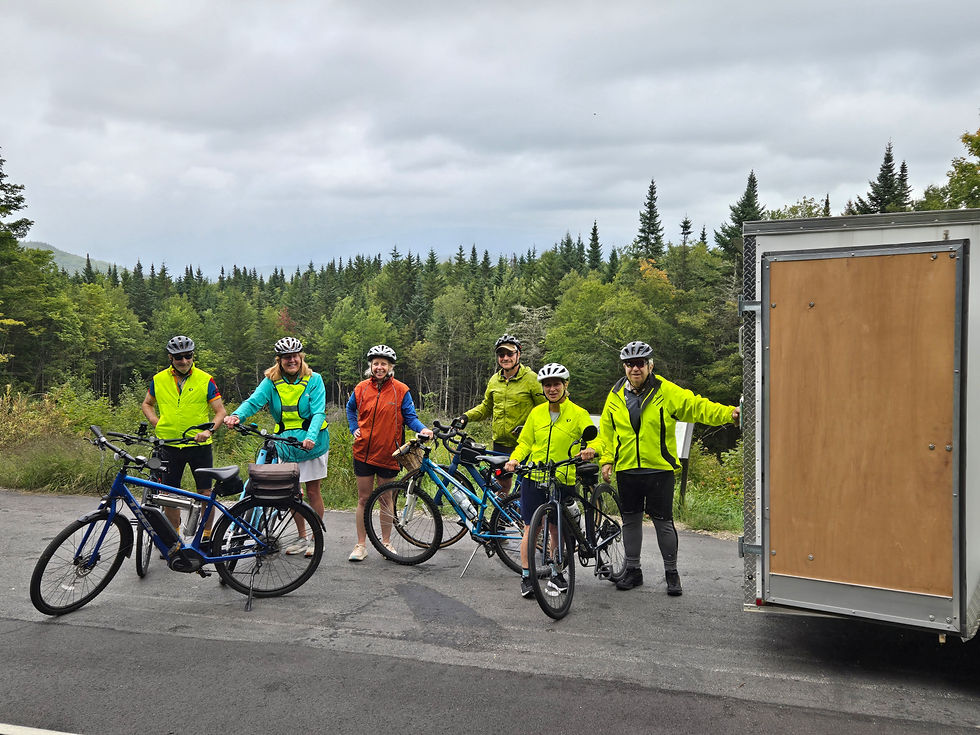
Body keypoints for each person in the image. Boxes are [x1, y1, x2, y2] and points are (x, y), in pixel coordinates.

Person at [599, 341, 740, 596]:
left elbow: (696, 406)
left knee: (663, 523)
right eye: (630, 364)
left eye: (640, 363)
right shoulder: (616, 393)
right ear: (624, 366)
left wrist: (729, 413)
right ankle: (633, 570)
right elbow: (607, 432)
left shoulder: (664, 390)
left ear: (650, 365)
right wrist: (607, 460)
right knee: (630, 521)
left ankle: (671, 573)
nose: (635, 369)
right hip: (627, 468)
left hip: (659, 469)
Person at [223, 337, 329, 557]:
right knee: (293, 492)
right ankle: (301, 537)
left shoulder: (314, 379)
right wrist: (236, 415)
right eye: (286, 357)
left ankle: (315, 537)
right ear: (279, 360)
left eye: (295, 356)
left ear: (301, 357)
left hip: (313, 443)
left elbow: (318, 412)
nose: (292, 360)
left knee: (312, 490)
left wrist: (310, 437)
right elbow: (254, 401)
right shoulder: (271, 381)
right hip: (286, 444)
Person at [504, 363, 597, 599]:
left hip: (562, 478)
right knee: (530, 528)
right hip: (534, 476)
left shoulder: (578, 413)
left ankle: (557, 573)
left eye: (556, 384)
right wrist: (514, 459)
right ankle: (527, 576)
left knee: (556, 529)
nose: (552, 388)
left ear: (565, 385)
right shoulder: (536, 413)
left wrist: (591, 449)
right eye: (547, 385)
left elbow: (594, 439)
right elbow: (525, 442)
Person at [346, 344, 433, 562]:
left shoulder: (401, 390)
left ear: (390, 367)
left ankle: (386, 543)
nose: (379, 367)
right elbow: (350, 409)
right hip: (363, 452)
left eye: (383, 363)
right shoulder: (361, 388)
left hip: (389, 453)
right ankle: (360, 545)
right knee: (363, 499)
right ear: (371, 366)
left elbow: (410, 417)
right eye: (376, 363)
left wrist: (422, 428)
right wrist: (353, 428)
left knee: (386, 499)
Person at [141, 335, 227, 538]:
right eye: (179, 357)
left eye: (188, 356)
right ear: (170, 357)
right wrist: (156, 422)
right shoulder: (159, 379)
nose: (184, 361)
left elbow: (220, 412)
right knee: (170, 495)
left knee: (205, 493)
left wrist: (208, 431)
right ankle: (174, 537)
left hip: (199, 446)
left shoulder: (205, 379)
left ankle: (206, 536)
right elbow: (147, 404)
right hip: (169, 444)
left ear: (193, 355)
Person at [458, 334, 545, 494]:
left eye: (510, 354)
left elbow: (544, 410)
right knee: (502, 487)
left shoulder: (532, 379)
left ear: (519, 354)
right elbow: (485, 408)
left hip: (524, 444)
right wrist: (466, 416)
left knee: (523, 491)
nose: (505, 358)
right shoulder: (494, 380)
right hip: (500, 444)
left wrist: (530, 429)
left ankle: (526, 518)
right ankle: (503, 519)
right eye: (501, 354)